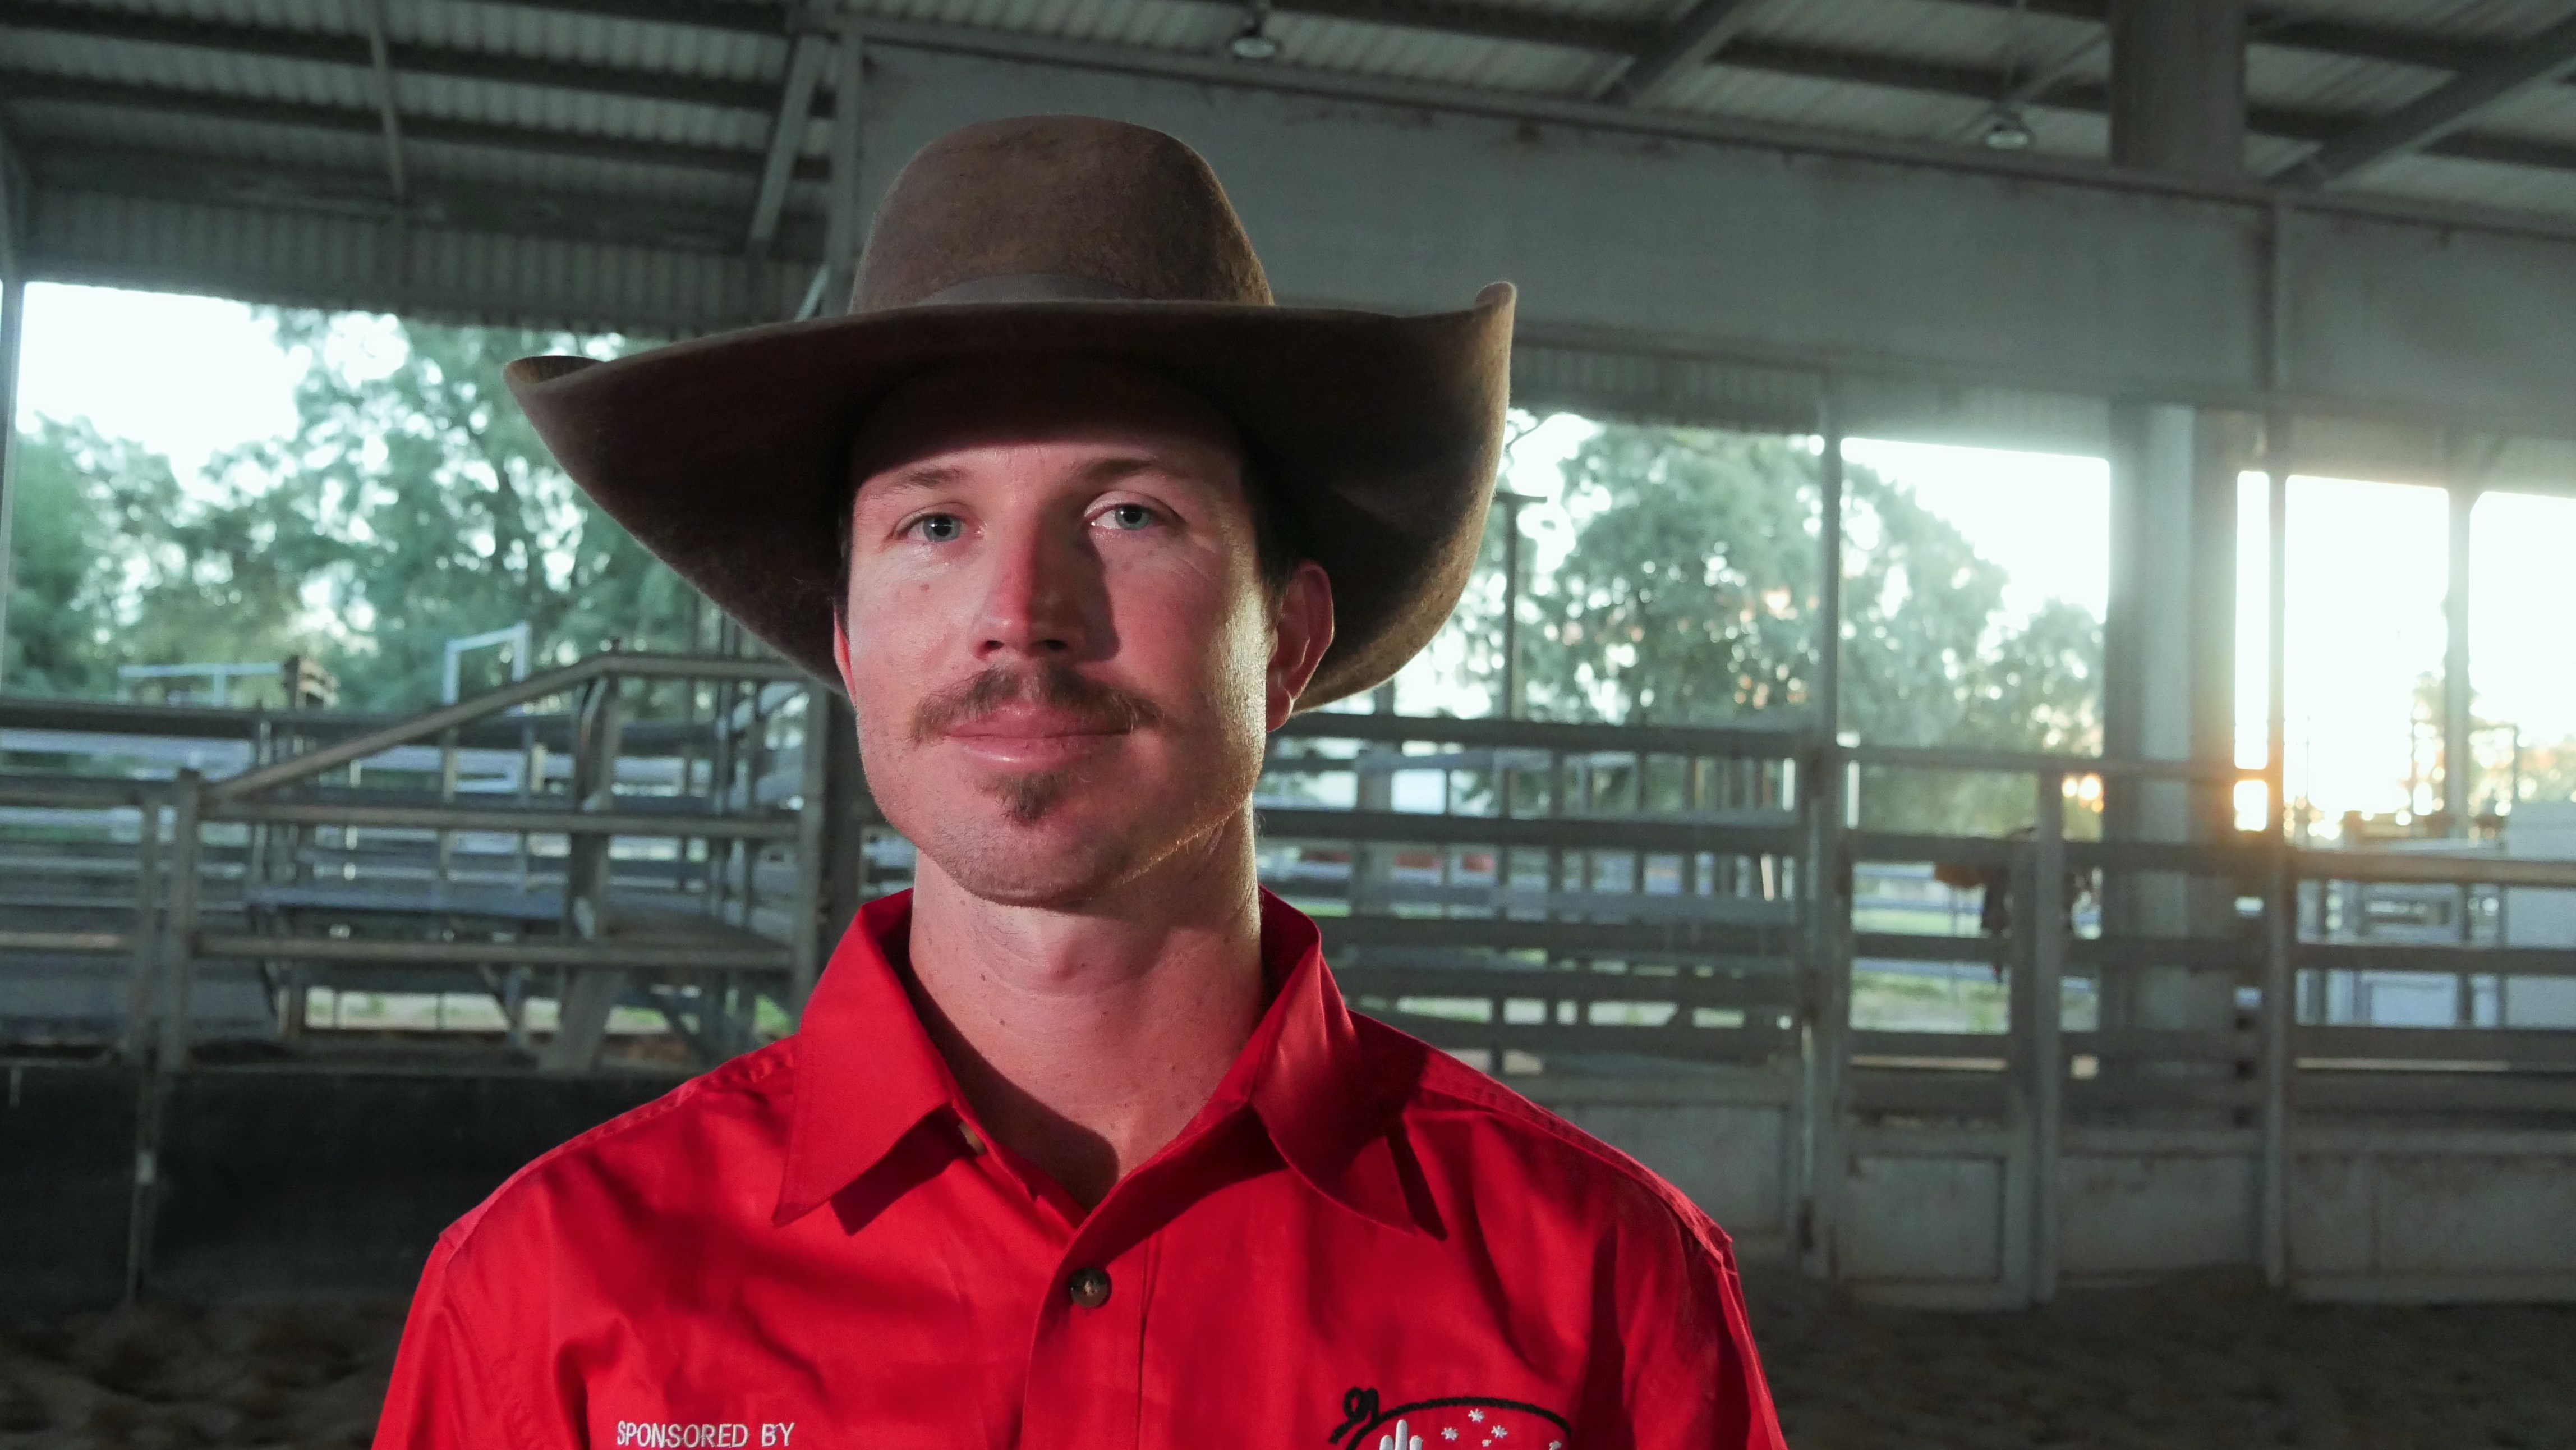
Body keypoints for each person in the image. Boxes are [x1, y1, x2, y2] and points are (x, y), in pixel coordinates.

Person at [374, 114, 1784, 1450]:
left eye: (1129, 513)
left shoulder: (1604, 1281)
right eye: (934, 520)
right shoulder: (550, 1290)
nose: (1020, 609)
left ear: (1284, 639)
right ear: (851, 646)